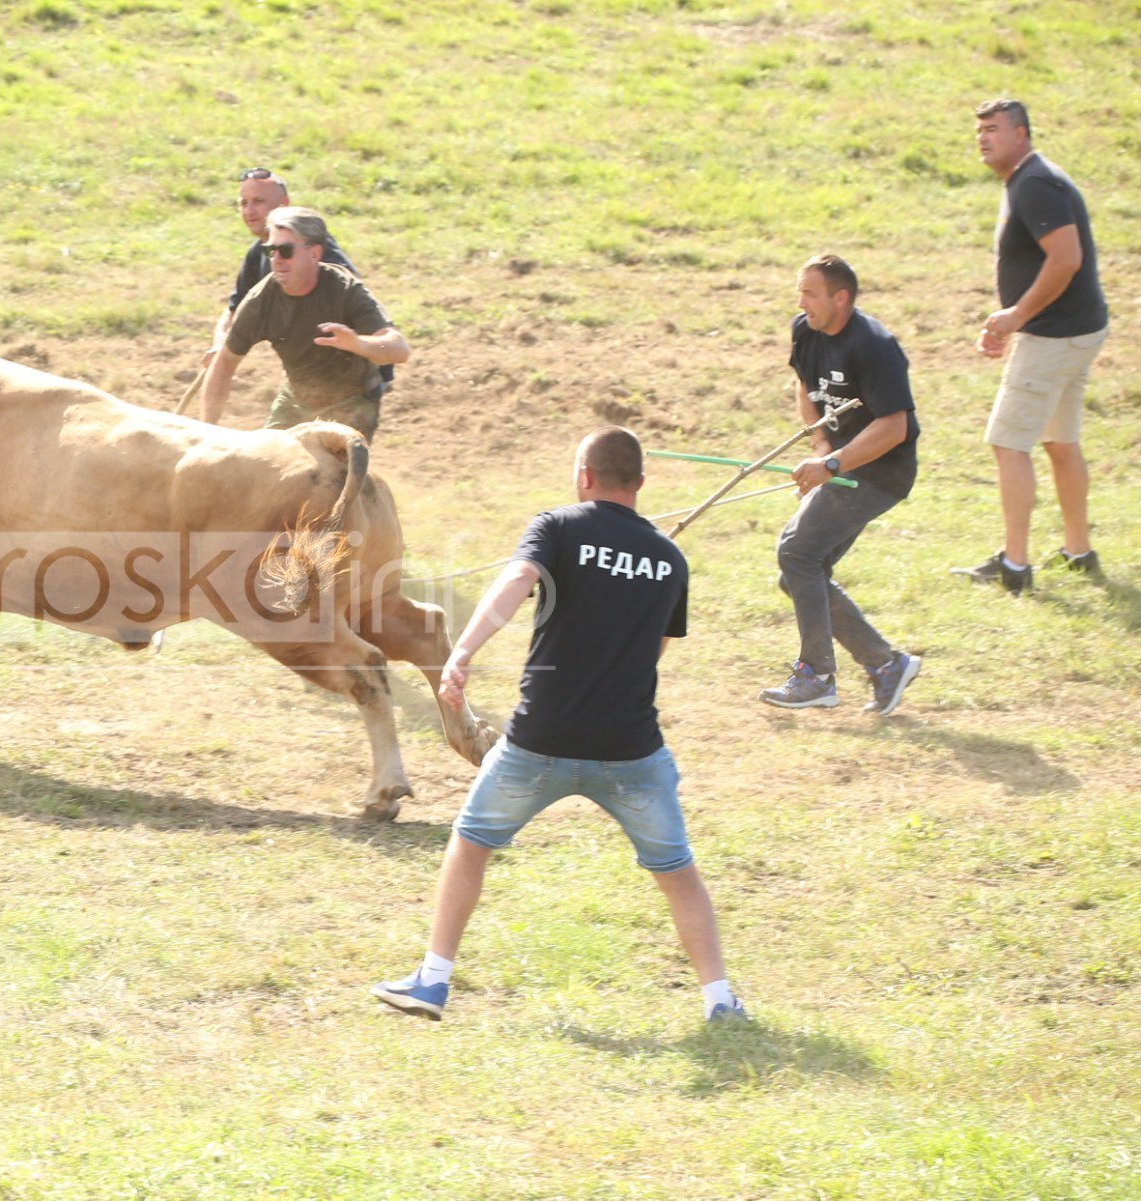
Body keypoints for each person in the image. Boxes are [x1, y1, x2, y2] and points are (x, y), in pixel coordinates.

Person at [371, 426, 744, 1024]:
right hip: (631, 750)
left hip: (538, 742)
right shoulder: (670, 559)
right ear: (641, 484)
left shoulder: (559, 527)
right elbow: (655, 651)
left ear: (584, 476)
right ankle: (719, 1001)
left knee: (470, 845)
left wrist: (460, 654)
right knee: (678, 873)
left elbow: (517, 581)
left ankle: (432, 982)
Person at [953, 98, 1109, 594]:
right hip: (1073, 330)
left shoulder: (1035, 183)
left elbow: (1065, 259)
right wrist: (1010, 322)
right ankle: (1078, 552)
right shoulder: (1029, 179)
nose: (982, 137)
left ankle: (1015, 567)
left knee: (1008, 443)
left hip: (1054, 336)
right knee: (1060, 442)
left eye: (993, 129)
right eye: (978, 129)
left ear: (1021, 134)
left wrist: (1017, 316)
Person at [758, 255, 922, 715]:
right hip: (843, 464)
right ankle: (886, 666)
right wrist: (820, 444)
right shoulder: (805, 331)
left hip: (880, 472)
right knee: (799, 573)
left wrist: (832, 463)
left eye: (810, 293)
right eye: (800, 292)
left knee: (797, 554)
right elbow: (806, 388)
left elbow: (894, 428)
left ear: (841, 297)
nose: (801, 301)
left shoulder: (874, 346)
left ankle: (816, 676)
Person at [200, 206, 408, 442]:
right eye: (271, 251)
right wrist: (207, 433)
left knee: (330, 472)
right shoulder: (261, 300)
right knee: (266, 464)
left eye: (286, 251)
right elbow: (224, 363)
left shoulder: (345, 290)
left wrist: (359, 344)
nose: (276, 261)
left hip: (353, 399)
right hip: (296, 398)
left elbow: (399, 349)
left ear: (315, 254)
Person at [205, 167, 360, 366]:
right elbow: (233, 310)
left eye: (258, 202)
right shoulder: (257, 253)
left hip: (349, 366)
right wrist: (220, 345)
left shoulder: (308, 244)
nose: (249, 211)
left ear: (283, 205)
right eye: (243, 203)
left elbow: (353, 286)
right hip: (304, 369)